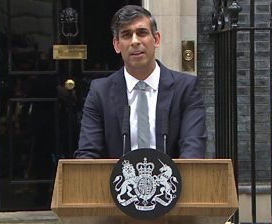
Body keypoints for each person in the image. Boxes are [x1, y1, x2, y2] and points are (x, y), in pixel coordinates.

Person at [74, 5, 207, 159]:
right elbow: (88, 153)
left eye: (142, 33)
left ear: (156, 39)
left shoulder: (186, 88)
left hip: (174, 181)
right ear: (117, 45)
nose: (135, 41)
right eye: (126, 35)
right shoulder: (100, 92)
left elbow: (193, 150)